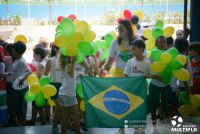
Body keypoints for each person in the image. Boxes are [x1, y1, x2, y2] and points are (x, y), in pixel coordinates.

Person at [149, 36, 173, 125]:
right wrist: (159, 78)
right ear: (156, 44)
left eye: (165, 42)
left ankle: (166, 122)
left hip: (166, 85)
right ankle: (154, 121)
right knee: (153, 104)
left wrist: (166, 79)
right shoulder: (152, 55)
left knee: (166, 105)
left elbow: (172, 70)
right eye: (161, 42)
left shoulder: (170, 55)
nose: (163, 44)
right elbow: (151, 71)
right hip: (155, 84)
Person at [58, 54, 81, 134]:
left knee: (66, 116)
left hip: (63, 93)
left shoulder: (65, 65)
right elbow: (71, 75)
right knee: (76, 116)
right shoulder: (69, 65)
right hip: (68, 94)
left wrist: (78, 75)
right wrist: (73, 62)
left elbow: (71, 77)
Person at [11, 41, 31, 126]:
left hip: (21, 88)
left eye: (13, 49)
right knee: (18, 108)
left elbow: (29, 71)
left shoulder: (21, 61)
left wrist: (22, 79)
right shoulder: (17, 58)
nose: (12, 51)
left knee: (22, 109)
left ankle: (23, 127)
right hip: (17, 87)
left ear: (17, 50)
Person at [27, 46, 47, 125]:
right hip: (43, 86)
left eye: (34, 54)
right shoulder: (44, 62)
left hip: (39, 87)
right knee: (35, 105)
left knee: (39, 107)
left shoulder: (39, 65)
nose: (33, 56)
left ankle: (44, 122)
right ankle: (32, 121)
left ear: (38, 55)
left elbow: (38, 76)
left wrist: (31, 74)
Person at [44, 43, 62, 131]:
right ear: (55, 49)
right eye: (59, 48)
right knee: (59, 107)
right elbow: (45, 75)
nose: (61, 50)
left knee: (61, 108)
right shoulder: (50, 60)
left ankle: (58, 125)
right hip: (54, 86)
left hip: (64, 85)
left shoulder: (66, 60)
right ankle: (55, 126)